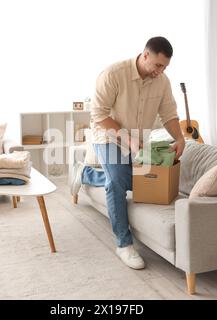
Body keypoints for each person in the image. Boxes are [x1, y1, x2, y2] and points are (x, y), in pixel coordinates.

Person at [71, 36, 185, 270]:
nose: (160, 71)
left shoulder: (162, 81)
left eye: (165, 67)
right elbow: (99, 115)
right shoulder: (113, 74)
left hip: (137, 141)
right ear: (145, 55)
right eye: (157, 65)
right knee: (116, 183)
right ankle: (124, 244)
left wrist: (180, 138)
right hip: (109, 136)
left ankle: (86, 175)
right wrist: (129, 138)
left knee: (136, 181)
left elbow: (169, 114)